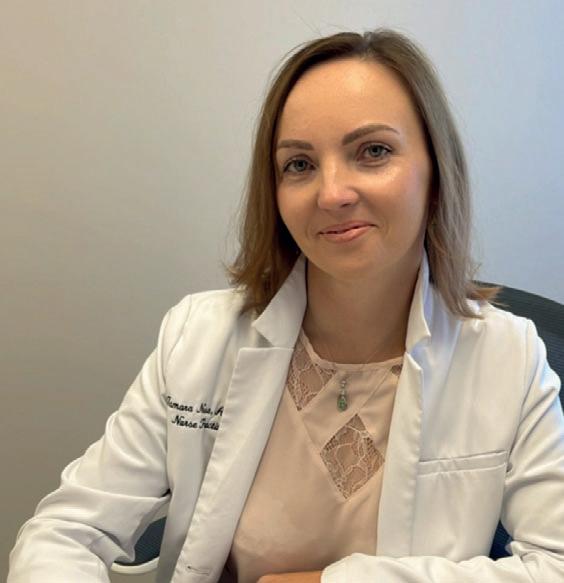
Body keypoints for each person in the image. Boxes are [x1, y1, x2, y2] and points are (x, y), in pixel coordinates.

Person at [8, 27, 564, 583]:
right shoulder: (198, 337)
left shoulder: (509, 357)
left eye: (373, 152)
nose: (332, 193)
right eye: (299, 164)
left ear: (436, 173)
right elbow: (64, 531)